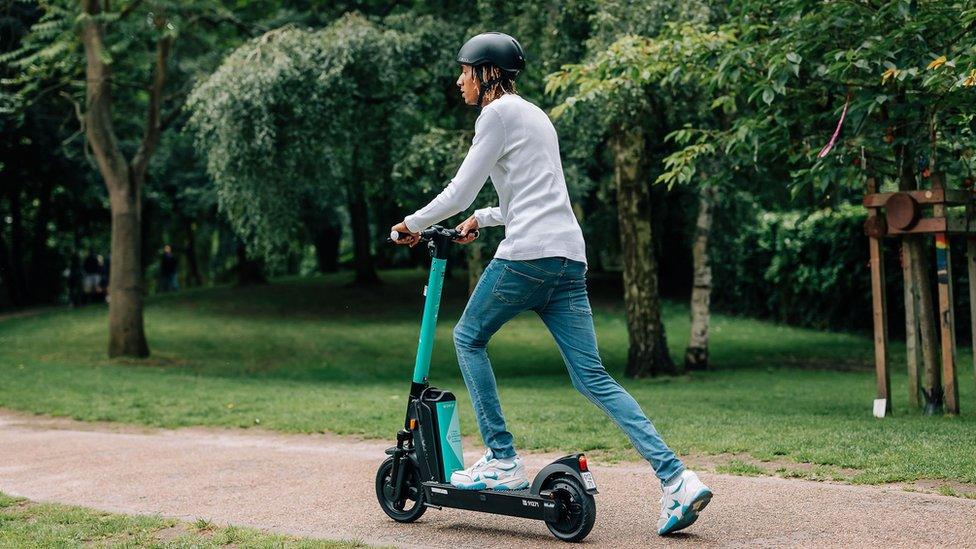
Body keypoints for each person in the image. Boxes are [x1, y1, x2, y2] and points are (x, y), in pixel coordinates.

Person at [391, 32, 712, 536]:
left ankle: (501, 459)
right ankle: (678, 479)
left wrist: (410, 223)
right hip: (568, 260)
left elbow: (459, 189)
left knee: (467, 337)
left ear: (486, 73)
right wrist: (487, 217)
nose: (459, 80)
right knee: (594, 379)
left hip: (527, 259)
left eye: (463, 71)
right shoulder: (535, 114)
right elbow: (533, 195)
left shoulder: (494, 115)